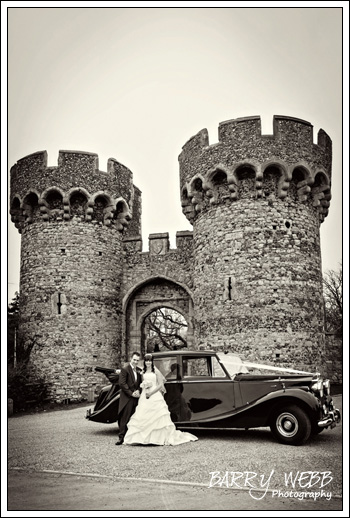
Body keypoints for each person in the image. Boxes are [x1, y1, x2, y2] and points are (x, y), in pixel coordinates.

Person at [123, 353, 198, 446]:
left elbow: (160, 385)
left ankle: (157, 438)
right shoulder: (142, 372)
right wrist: (144, 386)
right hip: (145, 395)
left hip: (154, 395)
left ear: (152, 361)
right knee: (144, 415)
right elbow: (141, 383)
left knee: (157, 416)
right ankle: (142, 438)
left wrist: (151, 392)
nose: (148, 363)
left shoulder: (156, 371)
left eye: (150, 361)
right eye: (146, 361)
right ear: (144, 362)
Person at [116, 351, 142, 445]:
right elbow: (122, 384)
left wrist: (138, 391)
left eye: (137, 360)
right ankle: (121, 437)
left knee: (134, 418)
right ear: (131, 358)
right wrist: (131, 394)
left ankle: (131, 437)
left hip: (136, 397)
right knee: (125, 417)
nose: (135, 362)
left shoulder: (139, 370)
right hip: (127, 397)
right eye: (134, 359)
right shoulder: (125, 369)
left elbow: (140, 383)